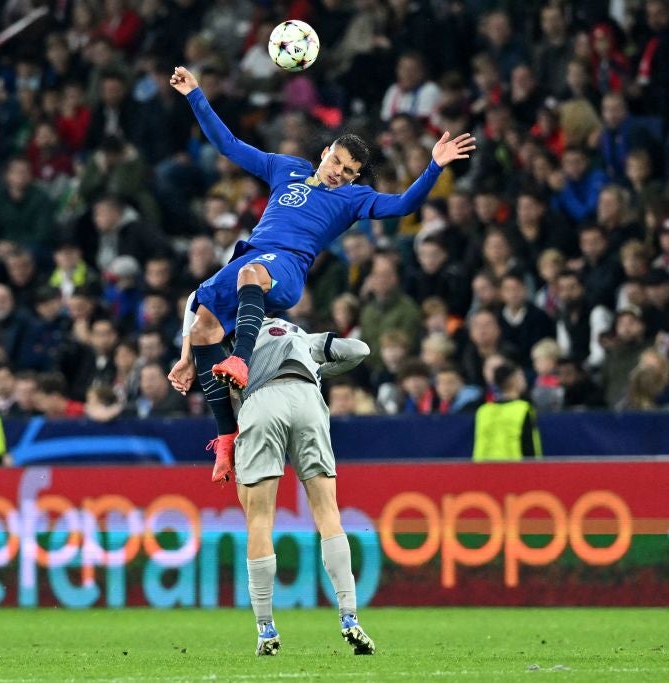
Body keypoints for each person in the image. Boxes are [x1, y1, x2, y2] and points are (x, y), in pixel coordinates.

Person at [166, 65, 475, 466]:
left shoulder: (353, 199)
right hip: (252, 255)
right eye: (338, 163)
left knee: (248, 274)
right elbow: (228, 145)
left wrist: (433, 166)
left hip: (287, 267)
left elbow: (403, 205)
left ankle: (239, 359)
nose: (339, 174)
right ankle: (226, 438)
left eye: (349, 172)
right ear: (326, 152)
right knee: (203, 326)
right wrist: (195, 94)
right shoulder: (285, 168)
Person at [173, 305, 373, 655]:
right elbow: (360, 350)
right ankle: (349, 616)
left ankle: (266, 628)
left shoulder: (234, 346)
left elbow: (214, 388)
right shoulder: (300, 335)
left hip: (262, 401)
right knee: (328, 512)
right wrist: (318, 366)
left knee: (259, 520)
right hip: (308, 397)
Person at [472, 362, 543, 462]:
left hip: (485, 470)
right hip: (516, 470)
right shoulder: (522, 409)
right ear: (514, 380)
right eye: (521, 376)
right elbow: (529, 446)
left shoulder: (483, 411)